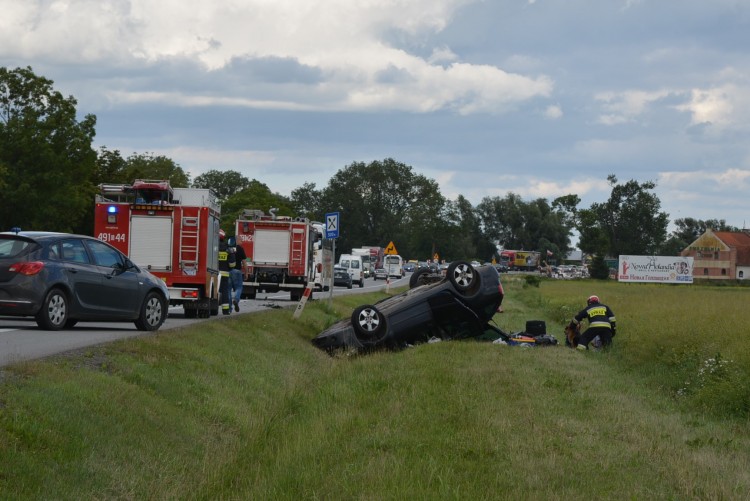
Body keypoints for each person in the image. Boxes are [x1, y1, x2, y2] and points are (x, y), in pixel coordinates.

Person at [217, 229, 234, 315]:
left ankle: (213, 307)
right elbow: (232, 264)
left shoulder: (212, 246)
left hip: (213, 273)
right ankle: (225, 310)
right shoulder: (228, 249)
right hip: (224, 274)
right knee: (225, 292)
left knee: (213, 291)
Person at [229, 240, 247, 312]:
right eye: (241, 240)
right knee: (239, 287)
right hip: (237, 271)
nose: (242, 242)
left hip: (229, 271)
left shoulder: (229, 248)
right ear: (237, 241)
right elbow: (244, 262)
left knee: (228, 290)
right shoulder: (240, 249)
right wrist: (246, 272)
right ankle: (236, 299)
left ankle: (229, 308)